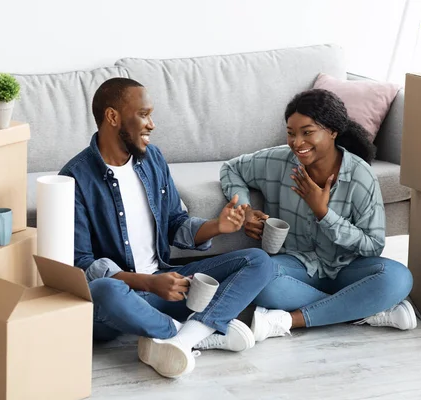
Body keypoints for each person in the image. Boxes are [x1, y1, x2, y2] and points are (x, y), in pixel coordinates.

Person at [59, 77, 275, 379]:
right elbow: (81, 264)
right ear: (112, 117)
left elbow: (175, 223)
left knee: (258, 261)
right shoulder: (75, 179)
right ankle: (195, 333)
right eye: (144, 114)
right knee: (104, 290)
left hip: (165, 286)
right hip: (124, 296)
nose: (152, 124)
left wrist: (217, 227)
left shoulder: (152, 160)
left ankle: (184, 340)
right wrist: (147, 283)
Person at [220, 89, 416, 343]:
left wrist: (323, 213)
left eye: (307, 132)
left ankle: (290, 320)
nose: (297, 142)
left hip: (348, 267)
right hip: (297, 265)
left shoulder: (360, 176)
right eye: (291, 133)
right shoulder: (277, 161)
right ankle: (365, 309)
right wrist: (244, 211)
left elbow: (373, 246)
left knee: (398, 278)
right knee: (259, 279)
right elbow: (231, 169)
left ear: (333, 131)